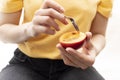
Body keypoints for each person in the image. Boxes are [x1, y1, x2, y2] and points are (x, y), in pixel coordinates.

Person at [0, 0, 113, 80]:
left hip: (75, 65)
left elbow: (99, 34)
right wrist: (29, 29)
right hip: (26, 64)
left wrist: (93, 50)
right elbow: (3, 31)